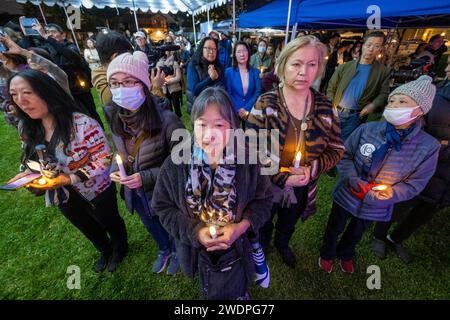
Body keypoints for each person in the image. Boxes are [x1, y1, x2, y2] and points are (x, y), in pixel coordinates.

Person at [151, 87, 273, 299]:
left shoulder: (250, 161)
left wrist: (241, 227)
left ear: (233, 127)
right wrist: (195, 232)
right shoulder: (176, 164)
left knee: (236, 286)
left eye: (219, 124)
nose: (210, 135)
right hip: (196, 251)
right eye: (202, 124)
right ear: (192, 125)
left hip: (237, 246)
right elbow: (162, 206)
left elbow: (264, 201)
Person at [7, 69, 128, 273]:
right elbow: (29, 158)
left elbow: (104, 158)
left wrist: (69, 178)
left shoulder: (81, 123)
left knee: (109, 220)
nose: (21, 101)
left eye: (27, 93)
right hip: (61, 194)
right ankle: (104, 249)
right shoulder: (25, 127)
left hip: (96, 189)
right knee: (84, 224)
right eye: (14, 94)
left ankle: (119, 248)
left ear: (46, 91)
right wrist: (28, 175)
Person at [319, 75, 440, 274]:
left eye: (403, 101)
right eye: (392, 100)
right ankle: (327, 251)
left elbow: (415, 183)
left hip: (377, 202)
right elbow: (345, 154)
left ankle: (346, 252)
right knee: (335, 224)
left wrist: (386, 194)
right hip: (348, 193)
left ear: (420, 109)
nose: (394, 105)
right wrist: (353, 179)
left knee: (358, 230)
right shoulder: (368, 129)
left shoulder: (428, 147)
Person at [247, 36, 345, 267]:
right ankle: (261, 247)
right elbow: (250, 149)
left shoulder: (325, 106)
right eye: (296, 64)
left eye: (312, 64)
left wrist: (313, 170)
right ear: (283, 65)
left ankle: (282, 244)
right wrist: (282, 176)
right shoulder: (265, 103)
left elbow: (337, 147)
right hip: (266, 185)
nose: (304, 72)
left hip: (303, 184)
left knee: (288, 222)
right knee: (263, 221)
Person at [105, 52, 185, 276]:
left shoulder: (168, 120)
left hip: (165, 192)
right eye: (115, 83)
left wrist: (145, 177)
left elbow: (184, 162)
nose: (121, 88)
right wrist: (115, 169)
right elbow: (119, 153)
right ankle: (164, 249)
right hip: (136, 194)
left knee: (170, 224)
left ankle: (178, 251)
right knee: (150, 224)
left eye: (128, 81)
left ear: (143, 84)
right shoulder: (114, 117)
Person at [371, 59, 450, 264]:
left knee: (427, 209)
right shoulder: (437, 97)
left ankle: (397, 238)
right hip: (422, 165)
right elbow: (410, 127)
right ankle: (379, 235)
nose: (447, 68)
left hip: (445, 178)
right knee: (399, 201)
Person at [327, 31, 390, 148]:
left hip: (355, 115)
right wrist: (331, 104)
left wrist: (372, 105)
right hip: (336, 111)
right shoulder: (345, 66)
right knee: (327, 138)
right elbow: (331, 86)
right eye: (369, 45)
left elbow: (384, 93)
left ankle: (338, 165)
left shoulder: (382, 71)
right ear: (363, 45)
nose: (371, 49)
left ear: (380, 49)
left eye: (376, 46)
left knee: (344, 144)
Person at [32, 22, 102, 127]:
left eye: (53, 32)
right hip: (63, 89)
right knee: (75, 114)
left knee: (90, 111)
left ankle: (99, 130)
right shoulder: (49, 50)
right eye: (48, 33)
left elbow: (70, 56)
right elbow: (32, 52)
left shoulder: (70, 47)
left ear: (63, 35)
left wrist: (49, 39)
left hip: (79, 87)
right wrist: (27, 34)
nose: (50, 35)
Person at [186, 36, 224, 114]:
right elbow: (194, 90)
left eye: (214, 49)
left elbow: (223, 86)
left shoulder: (218, 66)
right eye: (208, 48)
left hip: (216, 108)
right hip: (199, 109)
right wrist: (210, 79)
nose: (211, 51)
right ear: (202, 49)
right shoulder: (193, 65)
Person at [225, 41, 261, 123]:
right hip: (233, 110)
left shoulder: (255, 72)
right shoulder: (228, 72)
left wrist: (246, 108)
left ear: (248, 52)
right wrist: (238, 109)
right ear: (234, 55)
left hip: (251, 110)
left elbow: (257, 92)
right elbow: (228, 93)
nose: (242, 54)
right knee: (233, 135)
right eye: (238, 51)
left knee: (251, 134)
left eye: (244, 50)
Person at [156, 48, 183, 117]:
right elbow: (158, 77)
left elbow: (178, 77)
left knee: (176, 105)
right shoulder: (159, 64)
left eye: (169, 51)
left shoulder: (174, 63)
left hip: (174, 88)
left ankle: (178, 119)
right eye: (166, 51)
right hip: (165, 89)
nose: (167, 53)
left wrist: (167, 81)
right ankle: (171, 119)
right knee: (168, 105)